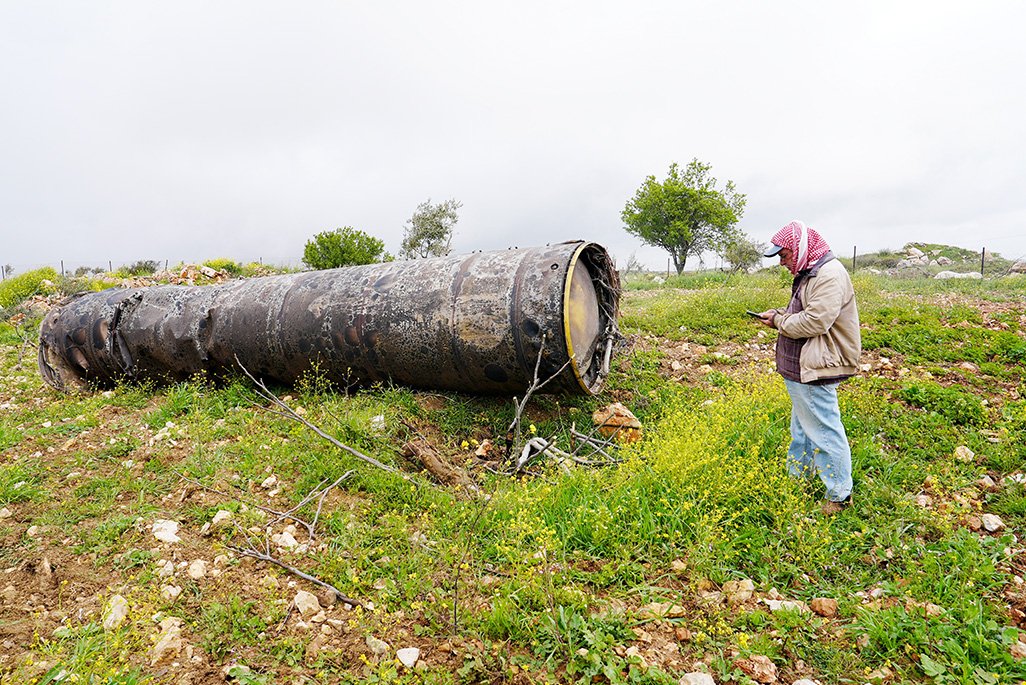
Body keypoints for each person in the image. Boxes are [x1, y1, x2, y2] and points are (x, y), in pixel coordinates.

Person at [756, 220, 861, 515]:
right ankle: (798, 477)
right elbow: (801, 312)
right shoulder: (810, 272)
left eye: (784, 255)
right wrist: (777, 314)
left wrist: (778, 321)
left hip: (817, 366)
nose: (782, 262)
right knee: (802, 427)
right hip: (804, 366)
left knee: (824, 430)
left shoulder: (828, 275)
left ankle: (839, 496)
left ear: (800, 248)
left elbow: (816, 321)